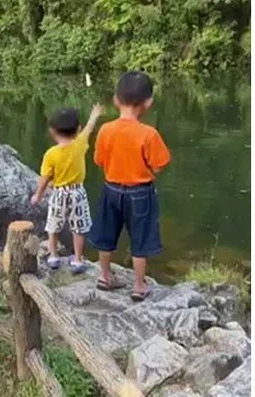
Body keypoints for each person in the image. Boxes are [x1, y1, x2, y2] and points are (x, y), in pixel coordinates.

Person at [90, 71, 170, 301]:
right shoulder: (149, 134)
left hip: (111, 189)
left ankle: (105, 276)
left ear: (116, 100)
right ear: (148, 103)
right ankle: (138, 285)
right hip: (140, 193)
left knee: (106, 234)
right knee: (140, 238)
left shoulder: (106, 130)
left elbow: (98, 160)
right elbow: (159, 165)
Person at [30, 104, 103, 271]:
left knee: (53, 225)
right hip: (77, 192)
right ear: (78, 129)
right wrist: (94, 114)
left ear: (52, 131)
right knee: (78, 227)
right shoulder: (80, 143)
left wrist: (38, 195)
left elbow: (45, 178)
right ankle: (77, 259)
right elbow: (90, 128)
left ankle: (54, 256)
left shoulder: (51, 154)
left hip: (59, 193)